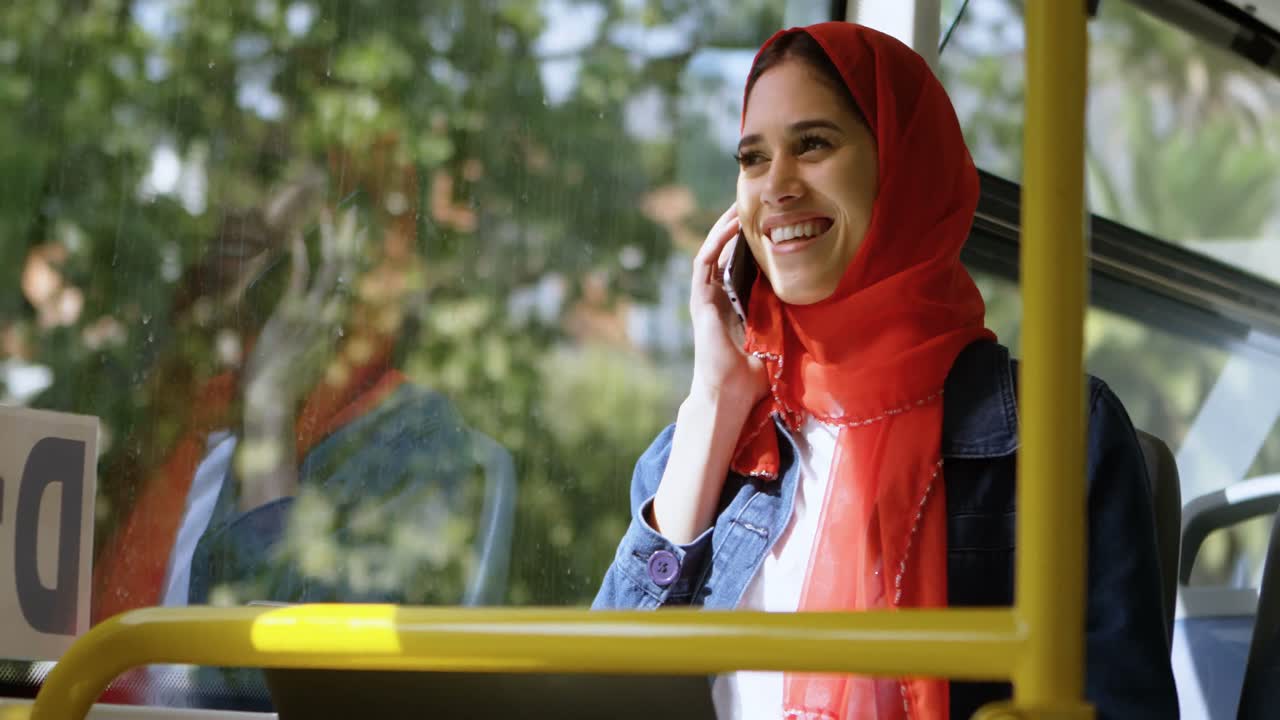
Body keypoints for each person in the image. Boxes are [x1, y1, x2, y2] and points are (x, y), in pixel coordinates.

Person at [592, 22, 1178, 720]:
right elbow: (606, 684)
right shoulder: (706, 444)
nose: (775, 185)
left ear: (903, 167)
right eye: (752, 158)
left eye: (813, 144)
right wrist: (716, 398)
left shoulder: (1057, 431)